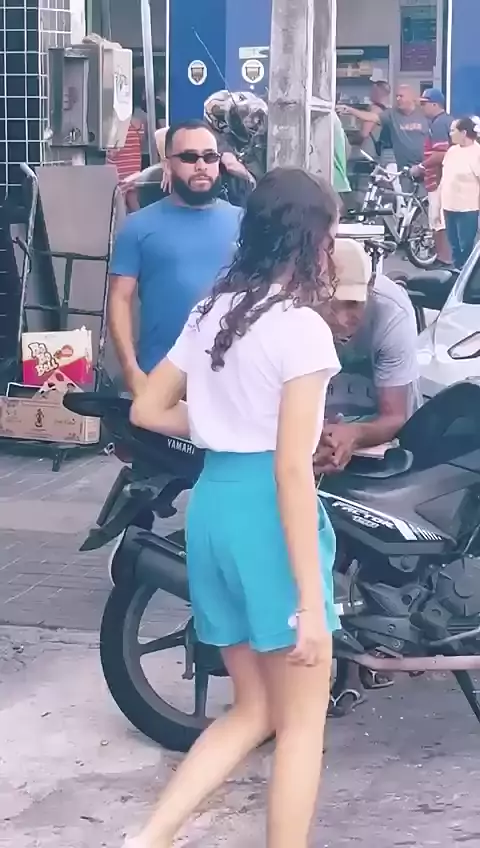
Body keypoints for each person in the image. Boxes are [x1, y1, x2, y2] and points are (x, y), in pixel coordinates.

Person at [124, 168, 341, 848]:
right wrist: (312, 603)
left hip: (214, 506)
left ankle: (147, 838)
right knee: (301, 725)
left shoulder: (212, 310)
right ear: (313, 238)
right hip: (267, 519)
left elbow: (147, 408)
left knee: (252, 710)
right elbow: (291, 471)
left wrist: (221, 426)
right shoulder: (302, 329)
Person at [314, 241, 420, 712]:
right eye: (334, 305)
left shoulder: (393, 312)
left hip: (377, 435)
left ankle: (366, 653)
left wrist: (352, 436)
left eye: (354, 304)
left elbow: (395, 414)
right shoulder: (293, 310)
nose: (345, 318)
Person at [108, 120, 243, 395]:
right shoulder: (138, 227)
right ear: (167, 165)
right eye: (189, 157)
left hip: (232, 381)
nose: (201, 165)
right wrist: (131, 370)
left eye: (210, 156)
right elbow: (119, 299)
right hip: (160, 379)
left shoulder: (244, 222)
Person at [339, 84, 428, 171]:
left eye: (401, 96)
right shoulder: (391, 114)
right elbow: (372, 117)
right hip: (401, 166)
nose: (398, 99)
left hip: (423, 164)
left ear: (411, 97)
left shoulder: (424, 113)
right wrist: (350, 110)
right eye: (397, 96)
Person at [412, 88, 452, 267]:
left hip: (438, 180)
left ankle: (444, 260)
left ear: (435, 104)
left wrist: (421, 167)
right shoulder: (444, 121)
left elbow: (441, 154)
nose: (422, 107)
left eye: (424, 104)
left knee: (438, 222)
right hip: (441, 180)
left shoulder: (439, 124)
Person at [441, 116, 480, 269]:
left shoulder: (477, 153)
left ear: (463, 133)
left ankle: (465, 274)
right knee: (454, 245)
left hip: (467, 209)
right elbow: (445, 177)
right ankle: (457, 272)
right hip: (449, 206)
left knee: (465, 247)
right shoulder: (452, 151)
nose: (450, 133)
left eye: (453, 130)